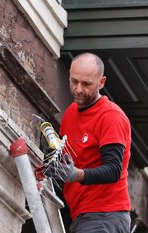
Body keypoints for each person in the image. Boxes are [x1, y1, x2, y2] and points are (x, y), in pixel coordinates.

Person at [46, 52, 131, 233]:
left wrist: (76, 174)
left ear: (101, 82)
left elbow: (113, 170)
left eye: (86, 84)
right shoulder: (70, 113)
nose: (78, 89)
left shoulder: (110, 117)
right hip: (81, 214)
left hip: (105, 215)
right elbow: (63, 157)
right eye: (74, 81)